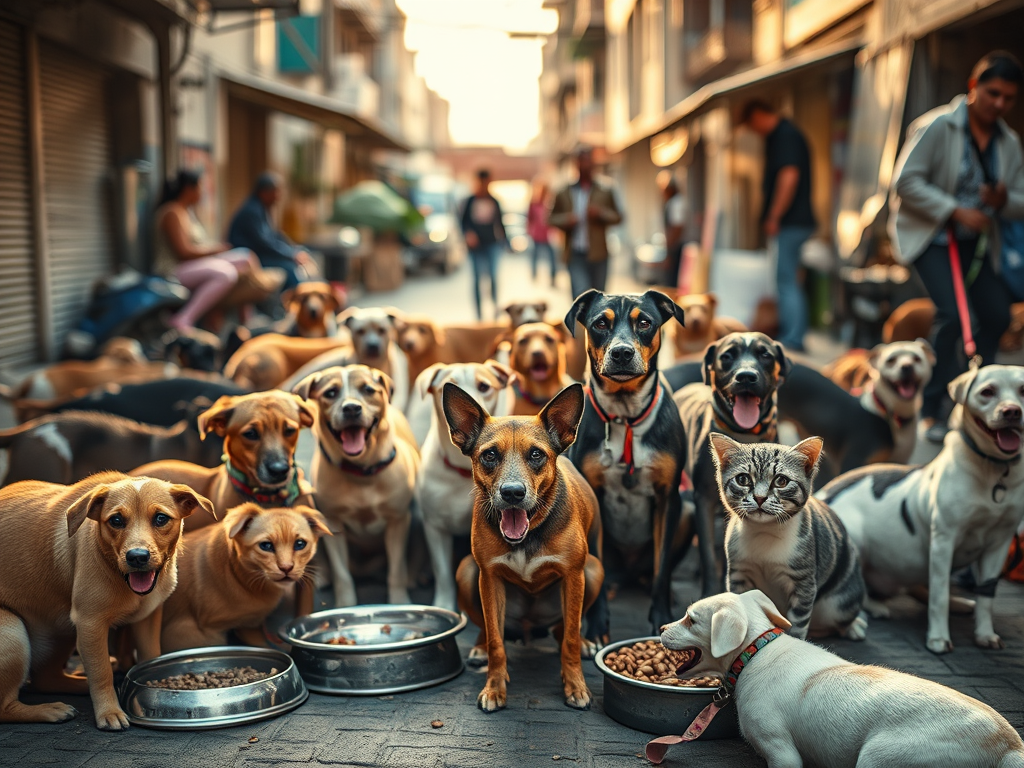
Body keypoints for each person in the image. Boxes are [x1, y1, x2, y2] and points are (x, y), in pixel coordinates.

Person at [890, 50, 1024, 443]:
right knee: (951, 314)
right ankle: (931, 410)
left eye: (1008, 98)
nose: (999, 104)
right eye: (992, 94)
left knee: (997, 315)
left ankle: (975, 399)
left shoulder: (1009, 143)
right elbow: (905, 183)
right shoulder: (938, 127)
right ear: (973, 87)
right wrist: (954, 210)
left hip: (981, 244)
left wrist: (1002, 202)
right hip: (933, 238)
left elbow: (1018, 198)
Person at [153, 170, 273, 332]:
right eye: (200, 188)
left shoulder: (187, 213)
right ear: (189, 189)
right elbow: (184, 253)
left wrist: (216, 251)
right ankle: (183, 319)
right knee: (226, 274)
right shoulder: (172, 213)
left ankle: (247, 319)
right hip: (173, 271)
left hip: (192, 266)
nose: (202, 193)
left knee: (245, 258)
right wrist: (214, 251)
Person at [741, 100, 818, 352]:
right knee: (789, 279)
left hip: (791, 222)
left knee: (786, 280)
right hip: (794, 221)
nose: (754, 131)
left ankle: (793, 338)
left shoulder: (785, 136)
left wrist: (775, 215)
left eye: (752, 125)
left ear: (760, 115)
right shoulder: (784, 135)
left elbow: (789, 176)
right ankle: (793, 333)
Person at [550, 146, 623, 298]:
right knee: (580, 296)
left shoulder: (605, 190)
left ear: (593, 164)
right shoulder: (564, 192)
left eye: (587, 161)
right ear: (575, 164)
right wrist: (567, 219)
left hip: (599, 253)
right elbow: (551, 218)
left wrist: (601, 213)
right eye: (581, 162)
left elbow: (618, 217)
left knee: (599, 298)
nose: (584, 165)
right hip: (575, 253)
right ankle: (580, 322)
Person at [228, 171, 318, 292]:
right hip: (251, 258)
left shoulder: (261, 209)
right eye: (276, 191)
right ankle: (298, 300)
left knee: (301, 257)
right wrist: (291, 255)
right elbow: (264, 242)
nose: (279, 196)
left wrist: (293, 250)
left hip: (259, 254)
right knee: (289, 268)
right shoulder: (252, 211)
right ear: (264, 192)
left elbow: (274, 235)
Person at [460, 169, 507, 320]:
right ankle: (479, 314)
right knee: (477, 279)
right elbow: (463, 223)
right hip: (475, 247)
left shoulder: (494, 201)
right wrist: (468, 234)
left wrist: (506, 242)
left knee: (493, 277)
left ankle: (495, 309)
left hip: (492, 244)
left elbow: (501, 224)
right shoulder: (469, 201)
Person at [660, 172, 688, 289]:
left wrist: (669, 251)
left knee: (672, 282)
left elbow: (677, 227)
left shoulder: (676, 203)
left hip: (676, 247)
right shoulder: (674, 202)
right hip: (675, 246)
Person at [527, 180, 557, 286]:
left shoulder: (549, 204)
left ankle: (553, 278)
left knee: (552, 258)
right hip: (536, 235)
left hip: (548, 235)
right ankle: (534, 276)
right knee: (534, 256)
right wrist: (529, 231)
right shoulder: (533, 203)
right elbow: (529, 219)